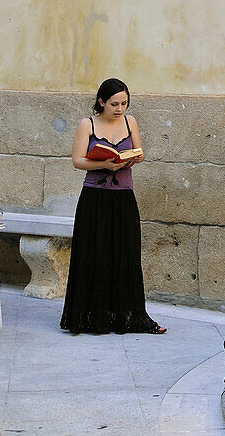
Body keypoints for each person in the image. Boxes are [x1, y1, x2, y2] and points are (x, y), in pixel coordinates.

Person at [60, 78, 165, 334]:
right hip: (95, 198)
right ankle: (92, 318)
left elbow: (139, 151)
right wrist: (105, 165)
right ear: (101, 102)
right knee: (93, 254)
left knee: (126, 255)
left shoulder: (131, 122)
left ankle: (131, 318)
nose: (120, 109)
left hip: (123, 197)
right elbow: (77, 161)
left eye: (124, 103)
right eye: (114, 104)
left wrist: (134, 157)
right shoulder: (88, 124)